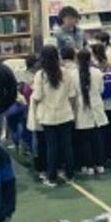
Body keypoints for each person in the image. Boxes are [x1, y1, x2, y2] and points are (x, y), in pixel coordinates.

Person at [32, 46, 78, 186]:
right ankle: (70, 174)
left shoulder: (40, 75)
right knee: (67, 145)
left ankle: (51, 177)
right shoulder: (66, 73)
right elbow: (72, 95)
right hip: (65, 114)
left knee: (51, 147)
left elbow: (37, 96)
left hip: (48, 116)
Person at [73, 49, 108, 176]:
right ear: (90, 58)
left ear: (77, 59)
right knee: (97, 137)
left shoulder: (73, 74)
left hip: (81, 107)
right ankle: (100, 164)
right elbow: (101, 89)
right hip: (96, 106)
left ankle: (88, 166)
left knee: (84, 139)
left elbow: (72, 93)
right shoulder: (98, 72)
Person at [92, 43, 111, 163]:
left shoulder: (94, 67)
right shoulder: (110, 65)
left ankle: (104, 153)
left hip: (100, 102)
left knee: (102, 129)